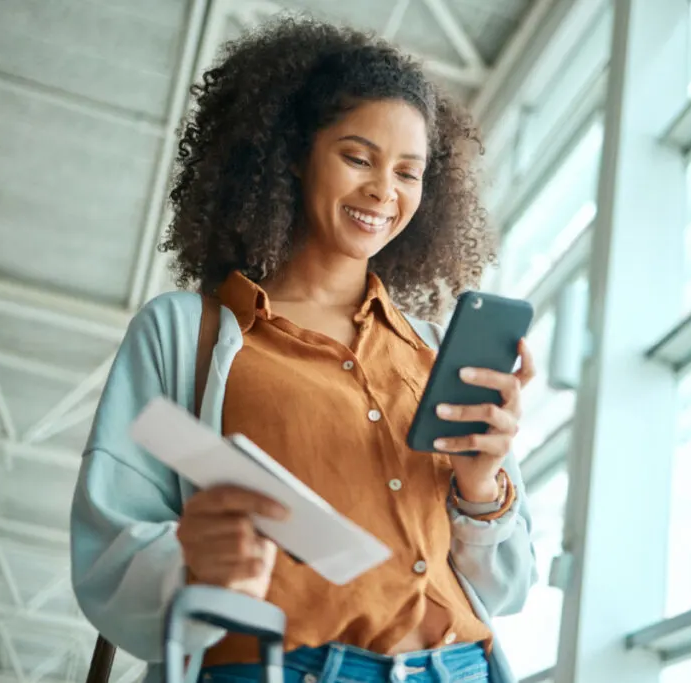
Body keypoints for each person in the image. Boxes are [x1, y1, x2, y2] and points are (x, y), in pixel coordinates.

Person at [70, 15, 537, 683]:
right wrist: (195, 558)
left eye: (410, 171)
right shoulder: (184, 335)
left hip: (460, 667)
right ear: (291, 153)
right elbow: (109, 553)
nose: (384, 190)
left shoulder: (433, 351)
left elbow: (508, 585)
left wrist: (481, 484)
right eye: (357, 157)